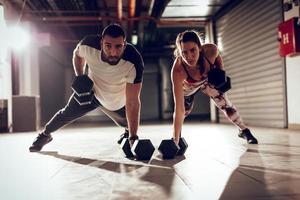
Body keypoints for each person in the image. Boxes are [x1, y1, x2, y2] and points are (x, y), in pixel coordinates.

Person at [29, 23, 144, 152]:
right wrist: (80, 76)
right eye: (108, 46)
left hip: (116, 101)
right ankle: (44, 135)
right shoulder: (88, 45)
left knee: (130, 123)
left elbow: (133, 102)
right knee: (66, 114)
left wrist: (133, 137)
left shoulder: (133, 61)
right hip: (91, 93)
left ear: (125, 44)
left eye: (118, 46)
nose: (113, 52)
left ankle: (127, 134)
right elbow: (77, 55)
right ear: (101, 43)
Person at [171, 30, 258, 146]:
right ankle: (177, 138)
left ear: (200, 48)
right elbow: (178, 109)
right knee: (184, 112)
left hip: (207, 81)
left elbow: (217, 57)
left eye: (193, 50)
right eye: (184, 52)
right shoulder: (178, 70)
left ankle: (244, 131)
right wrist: (174, 141)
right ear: (179, 52)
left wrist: (221, 72)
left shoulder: (211, 51)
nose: (189, 56)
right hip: (188, 88)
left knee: (226, 105)